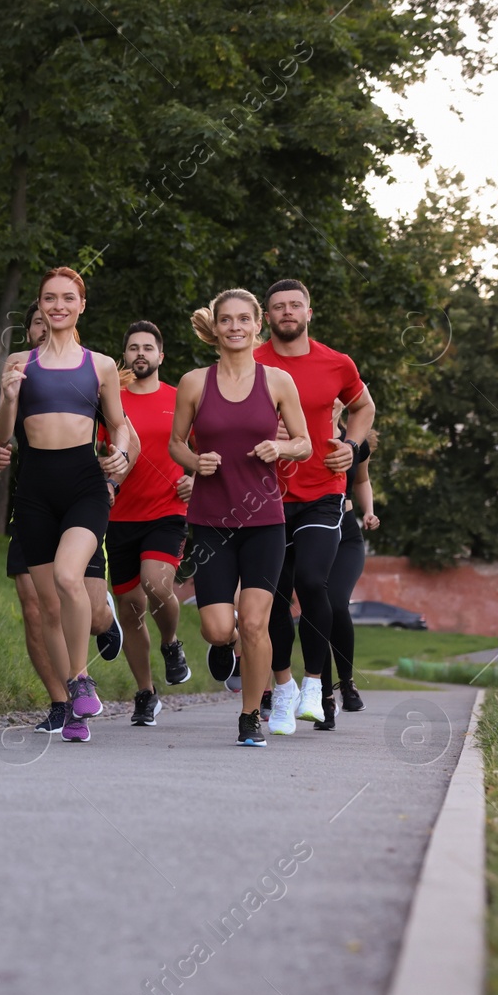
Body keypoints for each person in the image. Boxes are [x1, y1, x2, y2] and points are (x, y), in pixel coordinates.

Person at [0, 303, 134, 735]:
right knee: (39, 605)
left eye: (55, 317)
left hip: (83, 497)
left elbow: (127, 437)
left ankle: (105, 623)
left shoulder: (90, 375)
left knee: (80, 599)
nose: (47, 325)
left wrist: (116, 472)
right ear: (29, 330)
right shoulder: (18, 378)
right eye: (38, 321)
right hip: (33, 500)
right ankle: (64, 703)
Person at [169, 289, 310, 747]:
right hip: (211, 520)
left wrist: (281, 447)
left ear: (257, 327)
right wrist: (194, 462)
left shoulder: (277, 381)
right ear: (216, 327)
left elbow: (306, 443)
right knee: (217, 627)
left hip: (264, 521)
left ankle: (251, 714)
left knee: (254, 622)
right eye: (226, 320)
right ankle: (226, 651)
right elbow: (175, 444)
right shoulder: (193, 382)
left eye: (243, 319)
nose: (235, 327)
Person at [254, 279, 375, 733]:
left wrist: (351, 443)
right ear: (268, 317)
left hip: (324, 490)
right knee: (277, 596)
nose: (287, 313)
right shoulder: (252, 361)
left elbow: (363, 407)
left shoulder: (336, 363)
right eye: (278, 308)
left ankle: (316, 685)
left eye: (295, 306)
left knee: (312, 580)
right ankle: (283, 691)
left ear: (309, 312)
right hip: (266, 496)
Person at [104, 321, 194, 726]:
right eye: (133, 348)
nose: (140, 353)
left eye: (148, 347)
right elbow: (96, 449)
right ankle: (146, 692)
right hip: (119, 514)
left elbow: (207, 450)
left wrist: (196, 478)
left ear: (161, 356)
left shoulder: (182, 399)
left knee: (157, 583)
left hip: (168, 510)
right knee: (130, 608)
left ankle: (172, 644)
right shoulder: (111, 402)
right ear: (125, 356)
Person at [327, 406, 379, 713]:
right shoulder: (296, 439)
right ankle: (321, 691)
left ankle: (346, 681)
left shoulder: (355, 442)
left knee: (335, 603)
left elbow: (361, 480)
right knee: (315, 608)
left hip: (346, 533)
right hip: (308, 531)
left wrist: (369, 511)